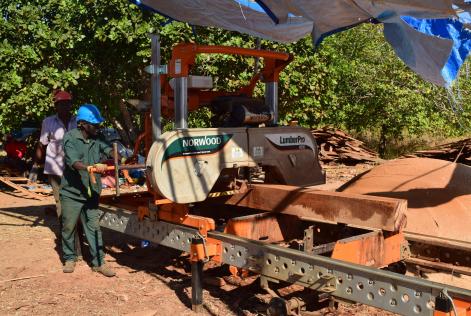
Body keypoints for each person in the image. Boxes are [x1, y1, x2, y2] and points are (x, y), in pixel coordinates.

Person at [60, 104, 116, 277]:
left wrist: (117, 154)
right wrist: (91, 168)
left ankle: (98, 262)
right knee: (68, 227)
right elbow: (74, 162)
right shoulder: (70, 138)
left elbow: (108, 150)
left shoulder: (97, 138)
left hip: (91, 192)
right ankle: (70, 257)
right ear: (83, 124)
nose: (98, 127)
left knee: (93, 228)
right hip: (72, 193)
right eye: (95, 124)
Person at [35, 90, 77, 218]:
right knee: (60, 200)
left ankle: (77, 229)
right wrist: (37, 164)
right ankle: (64, 230)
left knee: (76, 199)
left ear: (71, 105)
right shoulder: (48, 122)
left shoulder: (78, 121)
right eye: (61, 104)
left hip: (75, 166)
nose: (64, 106)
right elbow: (42, 144)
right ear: (56, 106)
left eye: (67, 103)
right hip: (55, 168)